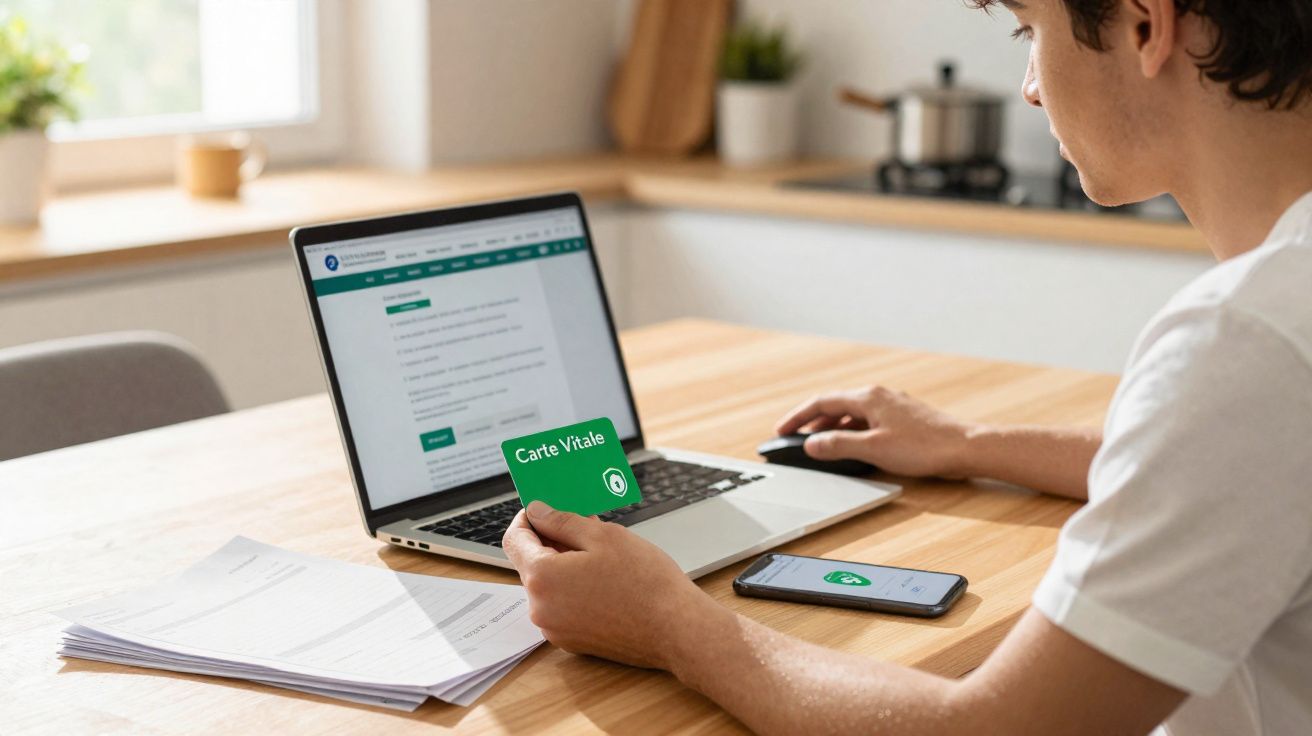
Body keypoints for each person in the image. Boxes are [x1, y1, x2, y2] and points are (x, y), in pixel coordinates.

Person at [501, 0, 1312, 732]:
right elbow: (1240, 464)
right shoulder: (1275, 328)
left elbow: (992, 730)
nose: (1031, 86)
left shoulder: (1247, 340)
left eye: (1031, 32)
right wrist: (967, 442)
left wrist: (671, 623)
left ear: (1145, 23)